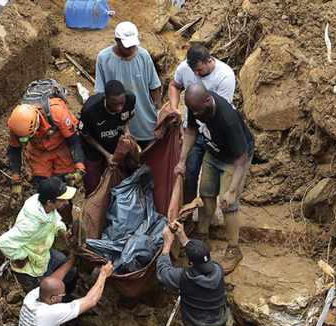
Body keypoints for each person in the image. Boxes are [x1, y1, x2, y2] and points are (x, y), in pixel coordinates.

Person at [175, 84, 254, 274]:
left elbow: (241, 157)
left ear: (208, 101)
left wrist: (232, 191)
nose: (195, 114)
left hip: (233, 159)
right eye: (192, 111)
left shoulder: (228, 119)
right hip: (213, 153)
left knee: (228, 205)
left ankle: (234, 249)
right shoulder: (196, 105)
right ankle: (202, 235)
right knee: (206, 195)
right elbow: (192, 131)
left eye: (198, 111)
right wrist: (182, 161)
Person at [157, 221, 230, 326]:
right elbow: (199, 256)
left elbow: (163, 271)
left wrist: (167, 243)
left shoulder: (186, 279)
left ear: (190, 264)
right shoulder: (218, 269)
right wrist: (182, 236)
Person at [167, 45, 236, 204]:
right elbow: (174, 86)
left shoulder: (224, 76)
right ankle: (187, 214)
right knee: (188, 174)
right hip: (192, 129)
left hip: (215, 133)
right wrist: (174, 108)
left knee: (209, 182)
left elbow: (220, 113)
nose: (196, 74)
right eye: (193, 71)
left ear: (209, 61)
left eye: (199, 70)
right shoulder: (186, 68)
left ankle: (206, 216)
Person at [6, 93, 85, 223]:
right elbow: (14, 150)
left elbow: (73, 141)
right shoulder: (16, 124)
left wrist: (79, 168)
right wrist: (16, 181)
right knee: (39, 189)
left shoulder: (58, 113)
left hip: (61, 149)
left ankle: (65, 222)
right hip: (39, 152)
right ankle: (41, 223)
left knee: (62, 188)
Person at [0, 177, 78, 295]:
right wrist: (22, 257)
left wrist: (62, 232)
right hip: (30, 267)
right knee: (43, 295)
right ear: (50, 202)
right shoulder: (30, 225)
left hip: (43, 251)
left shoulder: (45, 206)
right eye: (62, 200)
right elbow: (3, 242)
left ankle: (65, 296)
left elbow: (54, 219)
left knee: (70, 272)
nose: (66, 202)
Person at [94, 21, 162, 150]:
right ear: (117, 41)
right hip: (116, 121)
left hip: (144, 119)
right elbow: (100, 93)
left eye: (133, 45)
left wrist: (158, 112)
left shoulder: (143, 56)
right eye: (126, 46)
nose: (130, 49)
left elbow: (154, 87)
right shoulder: (104, 58)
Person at [79, 80, 136, 195]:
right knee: (93, 185)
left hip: (113, 147)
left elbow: (126, 119)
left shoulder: (130, 99)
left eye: (122, 103)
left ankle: (110, 209)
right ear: (105, 98)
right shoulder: (91, 108)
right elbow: (86, 135)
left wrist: (127, 132)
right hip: (92, 150)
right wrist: (106, 154)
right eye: (114, 104)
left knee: (114, 182)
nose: (119, 108)